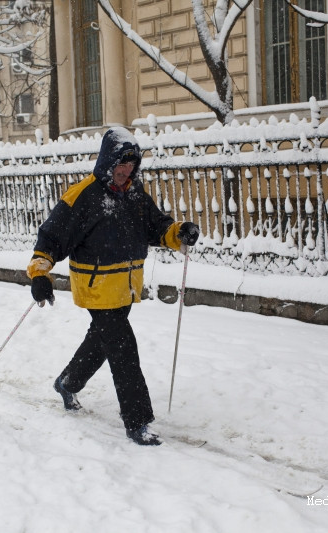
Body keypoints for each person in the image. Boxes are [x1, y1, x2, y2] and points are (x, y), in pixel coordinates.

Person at [26, 127, 200, 446]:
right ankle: (138, 422)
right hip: (96, 288)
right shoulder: (82, 197)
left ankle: (67, 382)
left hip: (125, 288)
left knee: (102, 340)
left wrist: (179, 232)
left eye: (132, 165)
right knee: (123, 347)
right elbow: (50, 239)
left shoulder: (134, 195)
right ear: (108, 161)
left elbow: (157, 227)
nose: (126, 171)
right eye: (121, 164)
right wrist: (40, 273)